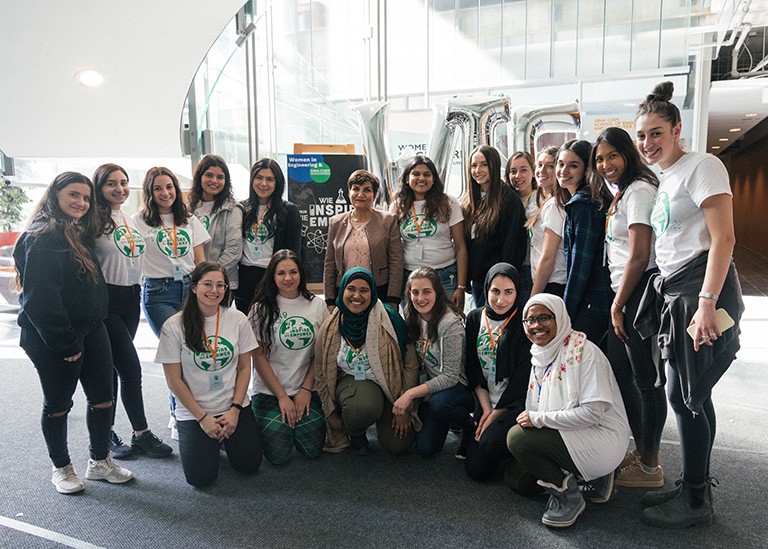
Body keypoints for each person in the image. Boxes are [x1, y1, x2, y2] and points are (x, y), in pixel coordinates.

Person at [634, 81, 744, 528]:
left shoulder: (703, 166)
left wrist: (706, 302)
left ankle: (696, 500)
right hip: (678, 292)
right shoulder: (666, 178)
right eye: (642, 136)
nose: (647, 144)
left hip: (701, 292)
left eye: (656, 133)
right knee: (696, 392)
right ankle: (695, 481)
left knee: (685, 398)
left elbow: (725, 238)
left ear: (677, 129)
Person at [15, 172, 133, 494]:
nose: (81, 202)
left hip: (92, 329)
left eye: (86, 197)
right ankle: (61, 468)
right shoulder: (41, 236)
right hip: (53, 337)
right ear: (55, 195)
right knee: (58, 404)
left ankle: (99, 461)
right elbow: (40, 301)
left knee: (103, 399)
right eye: (74, 195)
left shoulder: (76, 230)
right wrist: (65, 343)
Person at [507, 294, 630, 529]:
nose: (536, 326)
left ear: (560, 318)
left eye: (545, 317)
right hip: (570, 431)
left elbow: (593, 414)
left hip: (601, 437)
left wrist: (540, 420)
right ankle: (592, 479)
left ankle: (570, 498)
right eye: (530, 320)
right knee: (517, 480)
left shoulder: (584, 352)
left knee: (517, 439)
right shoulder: (540, 354)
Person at [590, 128, 667, 490]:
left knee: (646, 381)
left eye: (612, 156)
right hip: (623, 293)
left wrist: (619, 305)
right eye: (600, 159)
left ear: (627, 154)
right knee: (622, 374)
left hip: (636, 294)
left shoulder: (638, 191)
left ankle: (651, 465)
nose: (606, 165)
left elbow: (639, 255)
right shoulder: (622, 193)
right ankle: (640, 451)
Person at [155, 262, 262, 487]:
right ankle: (210, 440)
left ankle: (222, 439)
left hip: (233, 406)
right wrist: (203, 419)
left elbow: (245, 368)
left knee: (249, 465)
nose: (214, 290)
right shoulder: (174, 326)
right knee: (200, 479)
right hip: (195, 413)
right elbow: (174, 380)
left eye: (220, 285)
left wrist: (235, 410)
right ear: (193, 287)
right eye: (208, 284)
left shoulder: (237, 320)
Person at [93, 164, 172, 460]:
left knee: (112, 366)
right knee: (130, 368)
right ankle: (141, 434)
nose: (120, 188)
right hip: (107, 301)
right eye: (111, 183)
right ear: (99, 187)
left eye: (124, 183)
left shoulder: (128, 218)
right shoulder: (93, 220)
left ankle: (107, 431)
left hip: (130, 297)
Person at [315, 267, 419, 455]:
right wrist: (329, 411)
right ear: (343, 290)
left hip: (392, 386)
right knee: (363, 406)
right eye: (351, 289)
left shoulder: (391, 319)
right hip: (355, 385)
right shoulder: (331, 326)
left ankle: (382, 417)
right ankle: (356, 431)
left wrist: (405, 406)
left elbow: (410, 364)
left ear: (373, 292)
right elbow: (320, 372)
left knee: (398, 445)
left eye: (364, 290)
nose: (357, 296)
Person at [249, 249, 328, 465]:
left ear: (301, 274)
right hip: (270, 391)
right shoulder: (260, 308)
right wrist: (282, 396)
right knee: (278, 455)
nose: (288, 278)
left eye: (293, 272)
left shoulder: (317, 305)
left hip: (306, 389)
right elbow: (258, 357)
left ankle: (295, 424)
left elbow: (320, 354)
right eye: (281, 273)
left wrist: (305, 390)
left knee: (312, 450)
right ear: (272, 277)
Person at [394, 267, 474, 458]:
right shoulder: (411, 315)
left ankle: (471, 428)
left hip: (459, 387)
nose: (420, 298)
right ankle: (449, 420)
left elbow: (451, 377)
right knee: (426, 449)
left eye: (426, 291)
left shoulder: (449, 323)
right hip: (432, 388)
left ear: (437, 292)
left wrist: (412, 393)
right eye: (415, 292)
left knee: (441, 404)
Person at [463, 263, 531, 481]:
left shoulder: (524, 322)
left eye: (508, 292)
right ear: (486, 290)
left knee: (490, 444)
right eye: (495, 291)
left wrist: (495, 413)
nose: (501, 300)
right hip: (484, 401)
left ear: (517, 292)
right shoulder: (474, 318)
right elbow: (472, 367)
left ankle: (515, 449)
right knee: (476, 472)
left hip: (512, 404)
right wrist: (485, 410)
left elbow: (522, 377)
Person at [133, 166, 210, 337]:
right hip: (158, 292)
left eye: (169, 187)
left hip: (189, 288)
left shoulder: (189, 219)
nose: (165, 193)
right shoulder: (138, 221)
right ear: (149, 192)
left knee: (193, 345)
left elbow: (200, 261)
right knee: (174, 344)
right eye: (157, 188)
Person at [555, 140, 613, 347]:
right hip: (596, 301)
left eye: (573, 165)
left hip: (591, 304)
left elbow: (580, 265)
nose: (564, 170)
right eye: (561, 164)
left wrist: (566, 312)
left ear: (587, 169)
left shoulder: (583, 205)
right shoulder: (587, 200)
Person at [391, 155, 468, 308]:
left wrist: (461, 287)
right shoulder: (398, 205)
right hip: (410, 278)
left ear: (433, 179)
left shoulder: (448, 203)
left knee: (448, 325)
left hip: (445, 276)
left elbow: (461, 247)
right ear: (407, 178)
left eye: (427, 174)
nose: (422, 178)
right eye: (416, 174)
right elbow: (393, 248)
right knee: (413, 329)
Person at [324, 170, 404, 309]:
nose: (360, 195)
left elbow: (396, 262)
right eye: (356, 189)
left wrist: (393, 298)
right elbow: (329, 264)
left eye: (367, 190)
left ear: (374, 195)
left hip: (380, 292)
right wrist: (330, 300)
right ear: (348, 192)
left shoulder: (388, 221)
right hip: (344, 293)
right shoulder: (335, 222)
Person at [461, 145, 527, 307]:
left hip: (499, 284)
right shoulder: (470, 201)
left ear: (494, 165)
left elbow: (512, 245)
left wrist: (503, 281)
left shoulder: (508, 200)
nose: (478, 170)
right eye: (474, 165)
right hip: (478, 281)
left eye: (484, 164)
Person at [236, 158, 302, 313]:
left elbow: (294, 252)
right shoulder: (241, 209)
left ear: (277, 183)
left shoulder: (289, 211)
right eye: (259, 178)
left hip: (273, 275)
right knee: (248, 325)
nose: (263, 184)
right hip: (245, 276)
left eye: (269, 179)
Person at [188, 154, 243, 299]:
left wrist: (210, 277)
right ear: (200, 177)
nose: (214, 181)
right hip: (194, 283)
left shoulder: (233, 208)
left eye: (220, 177)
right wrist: (199, 279)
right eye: (209, 175)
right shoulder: (190, 208)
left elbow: (234, 250)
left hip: (222, 284)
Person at [528, 146, 567, 297]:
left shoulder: (554, 206)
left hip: (553, 282)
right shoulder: (538, 199)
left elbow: (548, 257)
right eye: (539, 165)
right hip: (544, 280)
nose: (542, 170)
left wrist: (534, 295)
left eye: (550, 166)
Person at [505, 151, 540, 303]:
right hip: (513, 267)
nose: (518, 176)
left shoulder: (541, 199)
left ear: (533, 172)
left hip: (534, 268)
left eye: (524, 170)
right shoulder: (505, 202)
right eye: (513, 171)